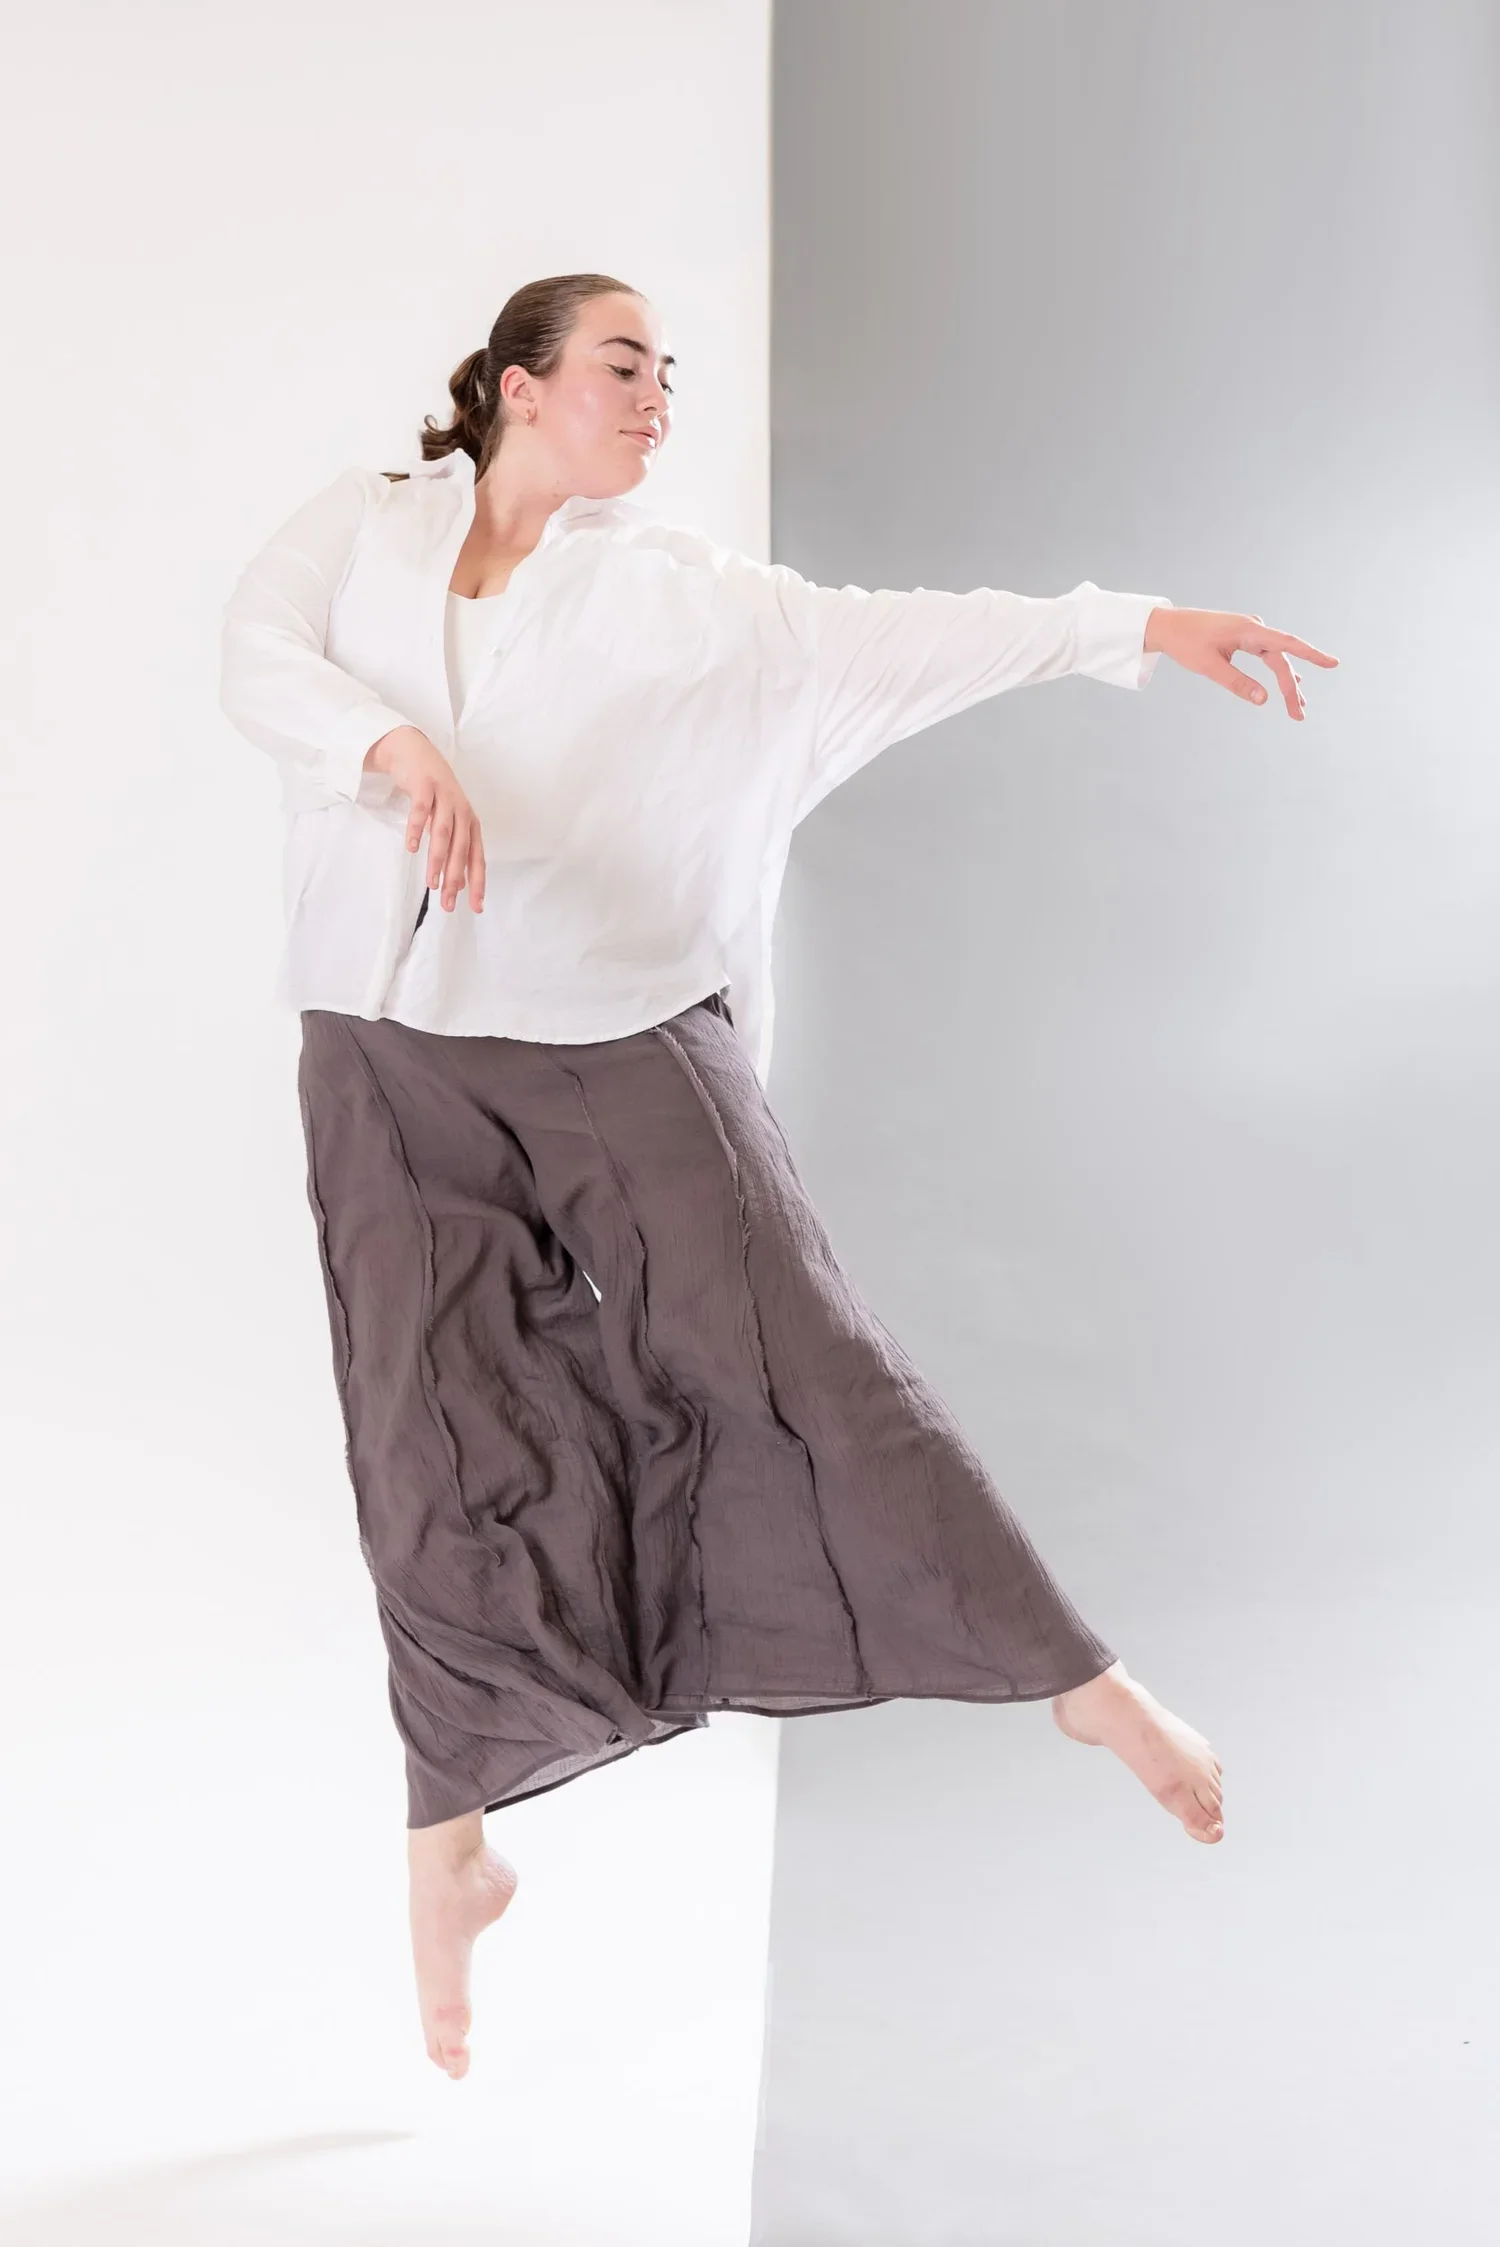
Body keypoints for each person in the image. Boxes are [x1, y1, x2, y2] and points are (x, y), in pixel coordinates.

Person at [218, 271, 1337, 2082]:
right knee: (424, 1433)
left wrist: (1130, 624)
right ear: (517, 385)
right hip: (380, 1035)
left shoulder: (676, 593)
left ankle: (1078, 1681)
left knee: (794, 1349)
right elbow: (257, 654)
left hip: (606, 1025)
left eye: (670, 374)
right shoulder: (364, 526)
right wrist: (391, 745)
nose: (658, 397)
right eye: (623, 365)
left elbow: (887, 638)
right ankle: (450, 1845)